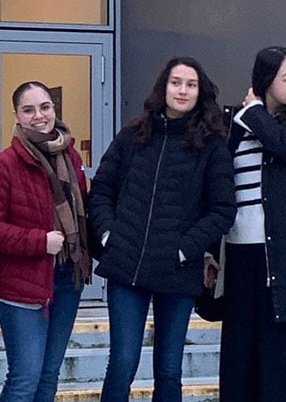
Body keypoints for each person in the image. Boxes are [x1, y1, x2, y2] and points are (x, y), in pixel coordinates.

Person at [87, 56, 237, 402]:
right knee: (122, 363)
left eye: (190, 84)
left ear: (200, 92)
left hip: (177, 272)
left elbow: (223, 209)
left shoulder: (212, 145)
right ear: (163, 87)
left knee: (169, 370)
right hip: (127, 268)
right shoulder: (134, 134)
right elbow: (102, 191)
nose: (182, 90)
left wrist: (184, 249)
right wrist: (110, 235)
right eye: (175, 82)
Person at [0, 81, 93, 402]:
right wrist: (39, 242)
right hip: (20, 287)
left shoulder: (70, 156)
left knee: (48, 375)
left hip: (68, 279)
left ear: (54, 110)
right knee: (25, 377)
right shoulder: (3, 166)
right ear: (17, 115)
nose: (38, 116)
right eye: (28, 110)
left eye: (45, 107)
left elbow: (83, 210)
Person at [220, 46, 286, 402]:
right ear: (266, 81)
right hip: (240, 253)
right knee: (241, 355)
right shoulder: (235, 125)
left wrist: (252, 112)